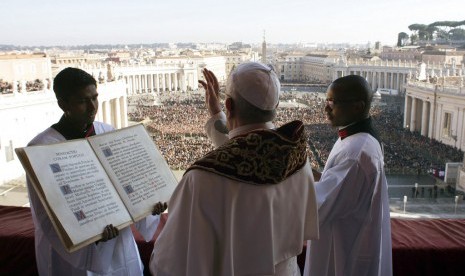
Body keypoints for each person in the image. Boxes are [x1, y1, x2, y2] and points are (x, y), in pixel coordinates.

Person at [150, 62, 319, 275]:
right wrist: (216, 113)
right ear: (275, 108)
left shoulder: (202, 178)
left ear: (229, 105)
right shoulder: (297, 157)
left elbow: (170, 262)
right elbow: (250, 157)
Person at [26, 67, 167, 275]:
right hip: (74, 258)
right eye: (82, 101)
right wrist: (92, 238)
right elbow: (46, 216)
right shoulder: (41, 149)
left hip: (119, 240)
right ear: (62, 103)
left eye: (95, 98)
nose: (92, 107)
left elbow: (128, 182)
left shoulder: (107, 132)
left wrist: (148, 207)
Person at [303, 75, 392, 276]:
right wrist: (310, 173)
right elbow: (336, 185)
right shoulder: (356, 138)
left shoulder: (356, 153)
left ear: (357, 107)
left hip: (343, 259)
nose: (326, 108)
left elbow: (317, 208)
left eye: (332, 102)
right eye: (326, 101)